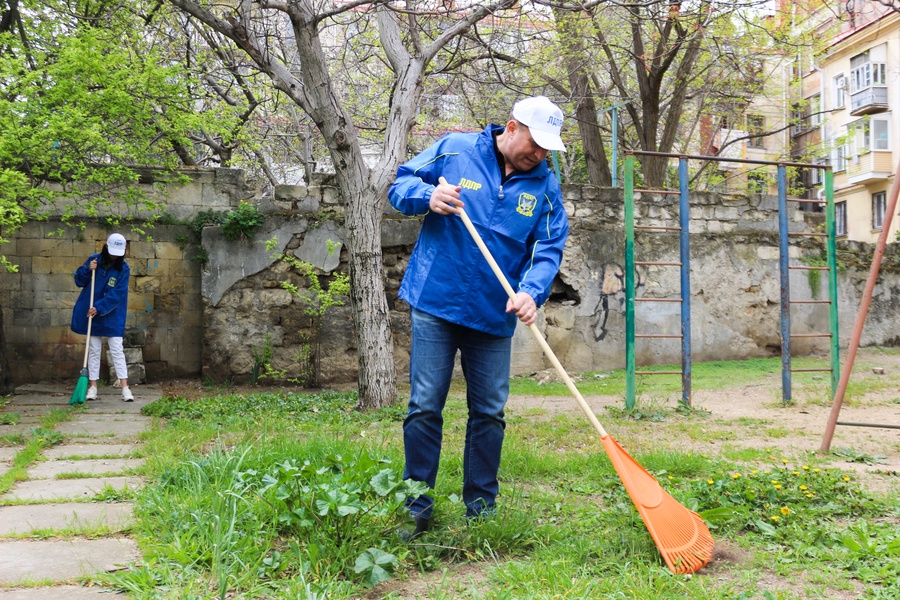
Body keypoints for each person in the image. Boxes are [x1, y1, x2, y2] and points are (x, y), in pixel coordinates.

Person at [388, 96, 569, 537]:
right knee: (425, 405)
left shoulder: (545, 186)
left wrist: (531, 291)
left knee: (489, 411)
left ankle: (481, 508)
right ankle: (417, 506)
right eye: (535, 143)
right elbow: (400, 185)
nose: (540, 155)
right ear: (512, 127)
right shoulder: (455, 149)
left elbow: (547, 248)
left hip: (493, 313)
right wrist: (427, 195)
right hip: (435, 300)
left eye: (548, 149)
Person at [71, 233, 133, 402]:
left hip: (111, 313)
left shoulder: (124, 269)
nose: (115, 256)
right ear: (106, 247)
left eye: (119, 253)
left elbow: (118, 293)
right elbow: (79, 281)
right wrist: (86, 269)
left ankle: (125, 387)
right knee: (94, 349)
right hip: (92, 311)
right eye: (112, 252)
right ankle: (92, 387)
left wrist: (99, 307)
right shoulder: (94, 260)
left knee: (116, 348)